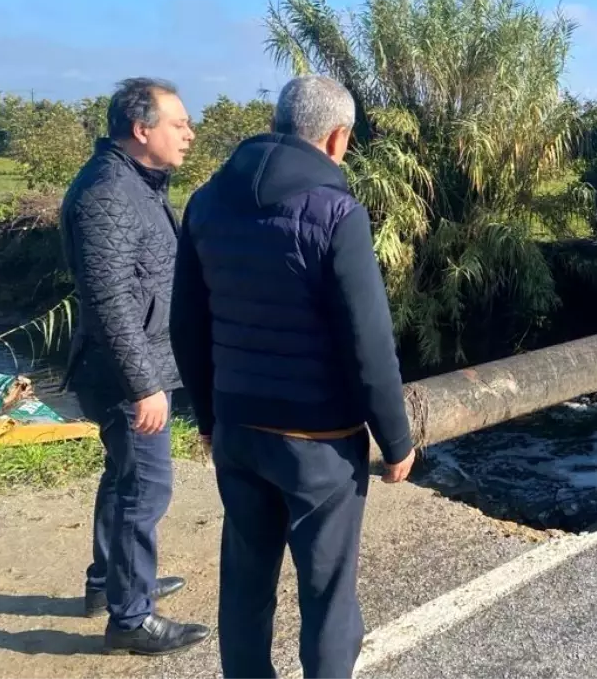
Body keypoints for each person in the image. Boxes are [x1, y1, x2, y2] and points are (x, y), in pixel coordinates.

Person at [170, 75, 416, 679]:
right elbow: (369, 344)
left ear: (278, 122)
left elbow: (186, 324)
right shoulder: (337, 213)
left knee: (246, 584)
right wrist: (396, 439)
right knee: (328, 599)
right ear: (336, 139)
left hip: (237, 428)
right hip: (319, 444)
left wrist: (208, 417)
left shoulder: (204, 201)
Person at [60, 77, 209, 655]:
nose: (190, 135)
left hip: (132, 365)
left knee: (124, 479)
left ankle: (111, 582)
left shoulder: (134, 184)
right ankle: (131, 616)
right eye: (180, 123)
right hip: (128, 374)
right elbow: (109, 300)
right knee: (144, 491)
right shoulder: (110, 194)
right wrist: (144, 385)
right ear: (142, 129)